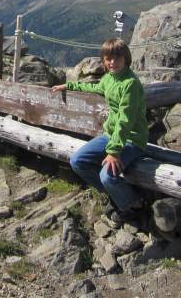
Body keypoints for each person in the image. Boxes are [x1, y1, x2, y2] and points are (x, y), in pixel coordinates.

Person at [51, 38, 148, 223]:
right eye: (108, 58)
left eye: (117, 58)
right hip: (110, 136)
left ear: (126, 58)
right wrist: (69, 85)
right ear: (104, 60)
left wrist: (114, 152)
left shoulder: (130, 84)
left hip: (132, 140)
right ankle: (117, 195)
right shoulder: (109, 78)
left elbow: (125, 120)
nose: (112, 62)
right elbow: (94, 87)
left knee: (107, 175)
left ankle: (135, 204)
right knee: (78, 161)